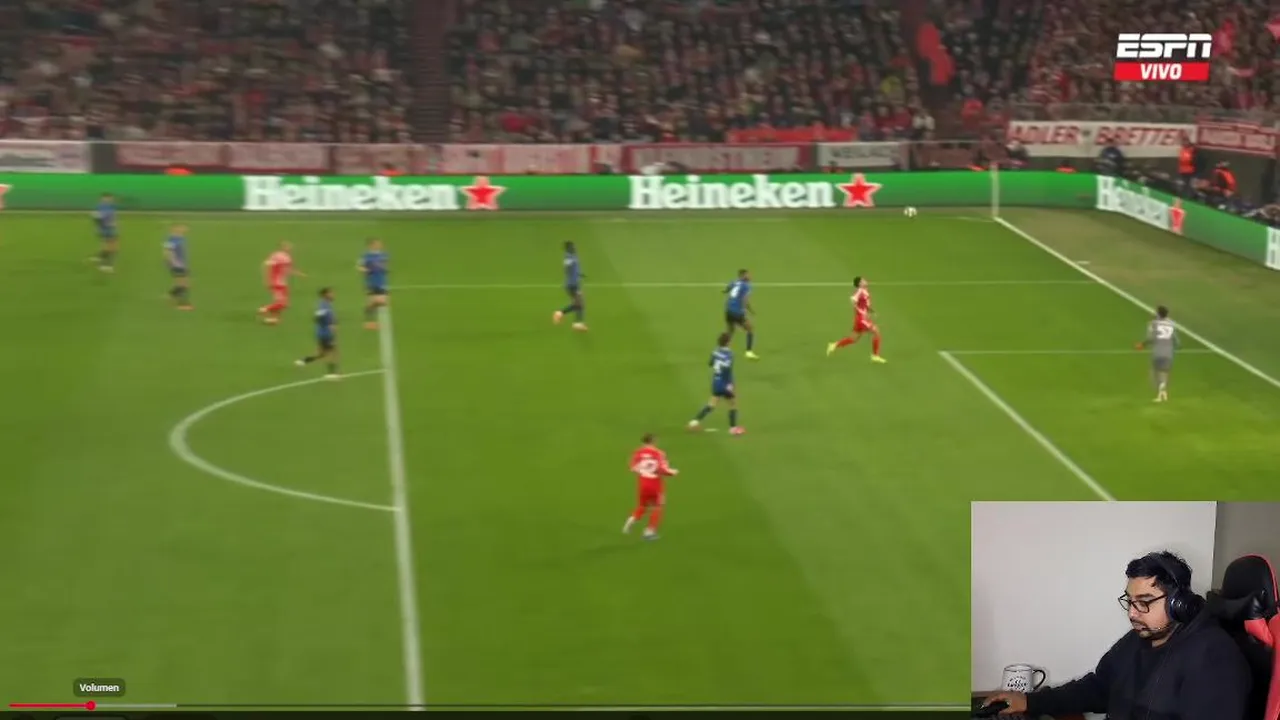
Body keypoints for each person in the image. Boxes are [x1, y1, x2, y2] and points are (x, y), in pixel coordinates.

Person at [981, 551, 1251, 719]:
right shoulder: (1139, 638)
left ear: (1178, 604)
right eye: (1130, 601)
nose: (1132, 613)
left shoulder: (1214, 660)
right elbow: (1098, 688)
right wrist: (1030, 701)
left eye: (1144, 602)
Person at [688, 332, 745, 435]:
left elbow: (710, 363)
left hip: (716, 382)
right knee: (732, 403)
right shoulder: (730, 354)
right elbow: (728, 370)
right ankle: (733, 428)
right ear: (728, 342)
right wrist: (730, 383)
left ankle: (694, 422)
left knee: (711, 404)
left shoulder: (715, 352)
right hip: (724, 383)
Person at [625, 433, 678, 540]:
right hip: (655, 484)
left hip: (643, 483)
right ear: (653, 441)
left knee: (642, 506)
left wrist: (643, 471)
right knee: (657, 506)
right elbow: (663, 469)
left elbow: (633, 468)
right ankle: (649, 532)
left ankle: (629, 523)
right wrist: (673, 472)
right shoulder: (659, 453)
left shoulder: (638, 453)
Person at [827, 276, 886, 363]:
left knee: (853, 338)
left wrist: (871, 311)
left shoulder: (865, 291)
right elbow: (853, 299)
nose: (865, 281)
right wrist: (858, 309)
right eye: (863, 280)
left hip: (860, 319)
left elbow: (864, 305)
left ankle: (834, 345)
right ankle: (875, 356)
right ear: (860, 284)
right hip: (861, 319)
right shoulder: (860, 291)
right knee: (876, 331)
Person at [295, 287, 340, 379]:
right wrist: (329, 325)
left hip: (323, 332)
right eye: (331, 293)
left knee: (321, 354)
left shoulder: (326, 304)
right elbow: (317, 317)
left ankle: (303, 361)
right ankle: (331, 373)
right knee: (332, 352)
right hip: (325, 333)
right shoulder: (324, 305)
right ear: (325, 295)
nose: (333, 295)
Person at [1136, 305, 1178, 402]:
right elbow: (1176, 340)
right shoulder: (1171, 323)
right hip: (1168, 353)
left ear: (1158, 313)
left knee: (1155, 373)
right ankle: (1163, 392)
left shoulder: (1153, 324)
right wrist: (1176, 346)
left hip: (1158, 352)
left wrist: (1142, 344)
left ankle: (1159, 395)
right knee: (1164, 373)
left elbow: (1151, 338)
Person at [723, 269, 759, 359]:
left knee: (730, 331)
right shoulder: (746, 286)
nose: (750, 276)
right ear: (743, 276)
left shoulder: (734, 282)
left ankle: (723, 350)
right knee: (750, 329)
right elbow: (745, 300)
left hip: (728, 311)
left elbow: (727, 288)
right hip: (737, 312)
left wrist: (725, 291)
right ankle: (749, 352)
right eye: (747, 275)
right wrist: (746, 311)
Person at [359, 237, 389, 330]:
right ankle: (369, 323)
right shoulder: (366, 256)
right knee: (376, 302)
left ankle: (370, 318)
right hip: (371, 282)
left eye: (379, 243)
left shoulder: (384, 255)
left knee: (383, 302)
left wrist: (384, 269)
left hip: (382, 282)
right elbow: (360, 267)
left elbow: (385, 266)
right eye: (377, 243)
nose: (379, 245)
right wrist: (366, 270)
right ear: (371, 245)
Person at [163, 224, 192, 310]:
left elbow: (185, 230)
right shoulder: (171, 240)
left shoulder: (180, 238)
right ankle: (179, 303)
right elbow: (166, 251)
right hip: (177, 264)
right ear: (173, 230)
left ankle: (173, 299)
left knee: (184, 285)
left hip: (182, 264)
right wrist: (170, 262)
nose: (181, 229)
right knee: (182, 285)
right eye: (179, 228)